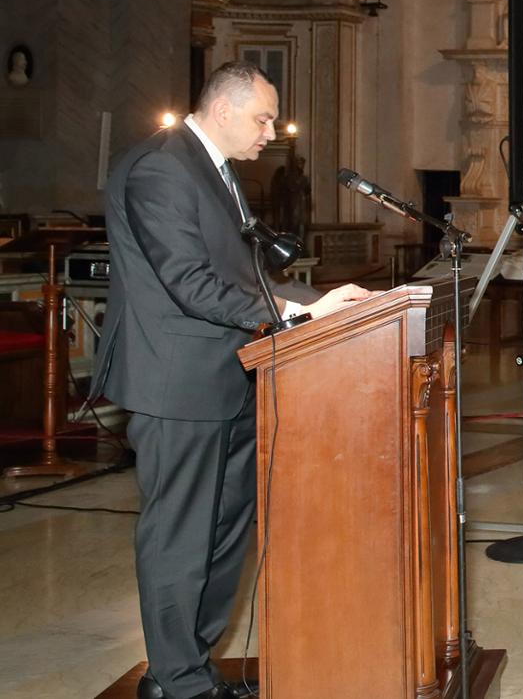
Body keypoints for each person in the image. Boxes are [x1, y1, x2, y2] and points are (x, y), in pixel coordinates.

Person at [96, 62, 371, 699]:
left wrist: (320, 299)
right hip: (178, 383)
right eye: (263, 118)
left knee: (222, 532)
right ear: (223, 109)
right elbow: (189, 283)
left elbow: (241, 277)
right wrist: (293, 312)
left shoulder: (216, 171)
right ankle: (174, 681)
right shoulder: (162, 168)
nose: (272, 132)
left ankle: (193, 670)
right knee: (179, 536)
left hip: (229, 376)